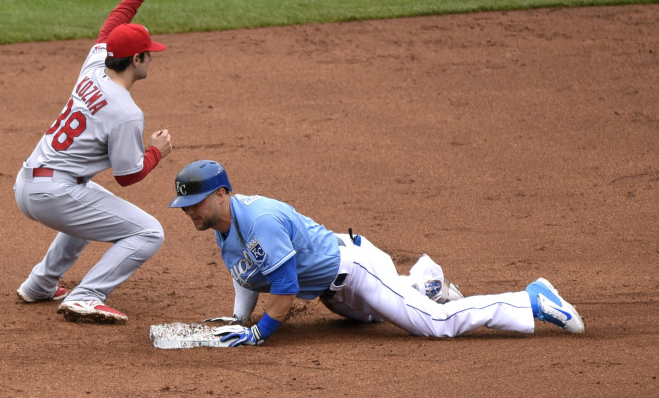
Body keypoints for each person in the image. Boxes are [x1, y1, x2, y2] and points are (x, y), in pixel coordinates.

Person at [168, 160, 585, 345]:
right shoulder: (223, 228)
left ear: (221, 194)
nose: (189, 212)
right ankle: (425, 280)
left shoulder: (260, 219)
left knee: (434, 325)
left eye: (196, 203)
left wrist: (258, 333)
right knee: (373, 318)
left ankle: (530, 299)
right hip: (337, 296)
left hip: (359, 269)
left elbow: (285, 285)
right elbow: (246, 275)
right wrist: (239, 319)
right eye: (185, 206)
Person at [14, 0, 203, 324]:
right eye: (148, 53)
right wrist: (156, 151)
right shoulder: (125, 112)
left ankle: (40, 284)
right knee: (149, 232)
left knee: (92, 207)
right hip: (54, 193)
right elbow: (128, 176)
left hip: (29, 180)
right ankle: (87, 294)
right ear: (135, 61)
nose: (152, 57)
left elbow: (113, 24)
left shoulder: (95, 66)